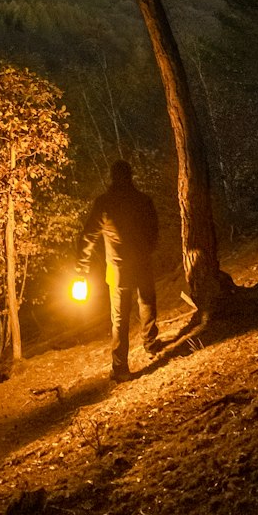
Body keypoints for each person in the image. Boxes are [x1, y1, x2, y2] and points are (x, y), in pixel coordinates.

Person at [76, 159, 161, 381]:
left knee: (120, 317)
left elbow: (87, 237)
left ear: (113, 177)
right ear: (130, 176)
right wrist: (148, 249)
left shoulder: (105, 204)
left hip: (119, 268)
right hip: (141, 261)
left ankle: (121, 367)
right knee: (147, 302)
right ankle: (151, 343)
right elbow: (154, 229)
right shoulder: (143, 200)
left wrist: (81, 269)